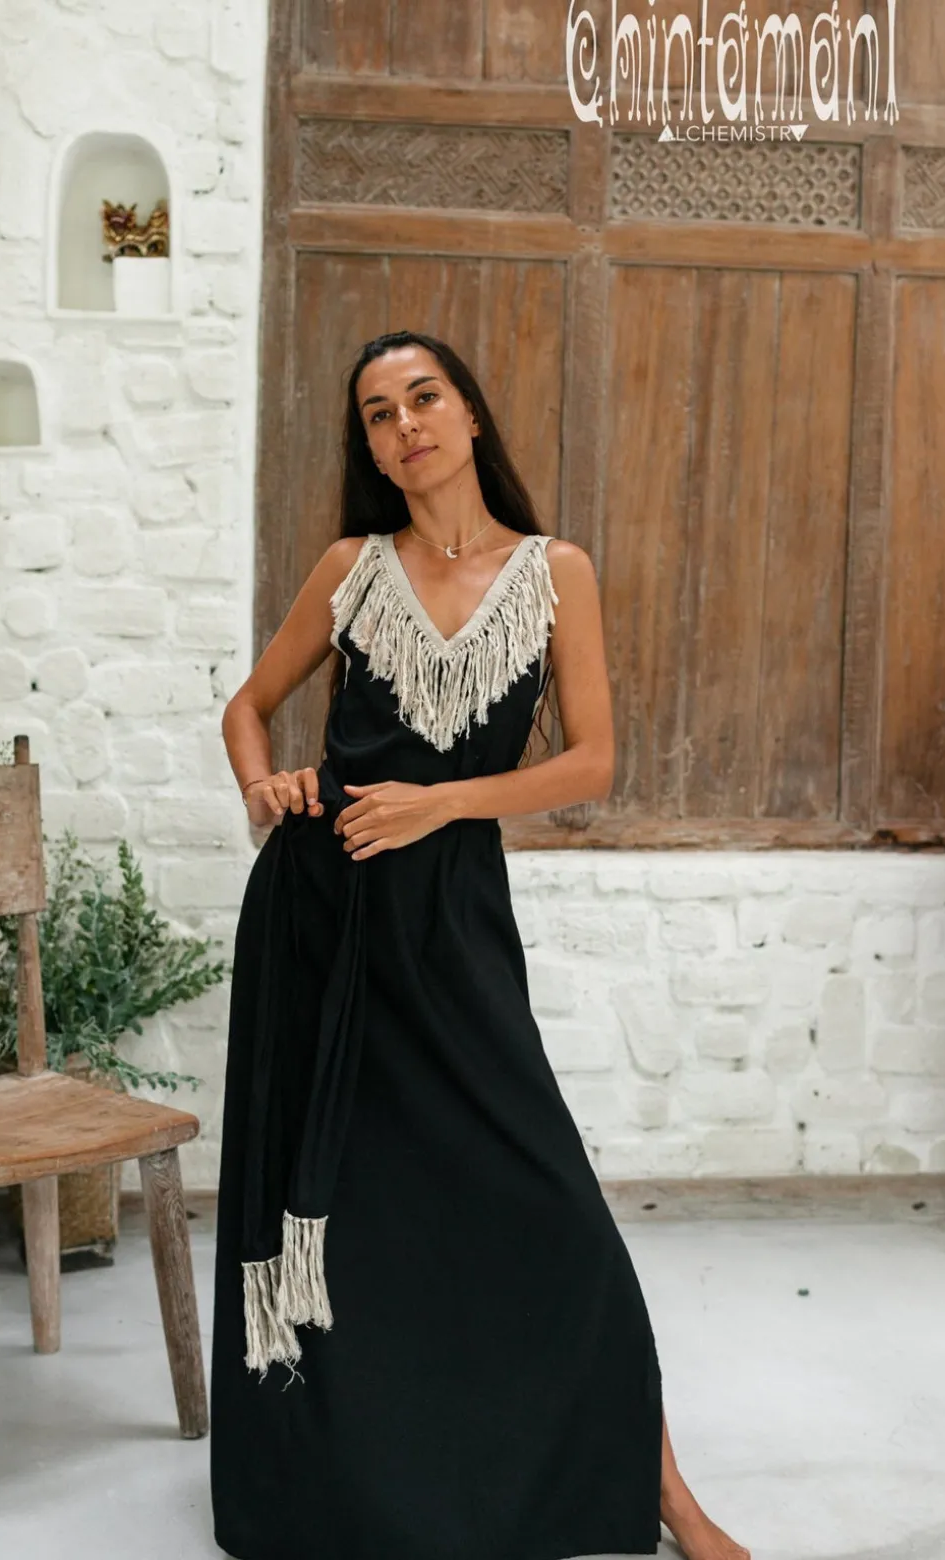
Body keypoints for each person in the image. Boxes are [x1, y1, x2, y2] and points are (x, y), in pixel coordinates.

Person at [210, 329, 750, 1560]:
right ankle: (342, 1487)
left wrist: (439, 803)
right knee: (348, 1218)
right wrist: (263, 786)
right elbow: (247, 708)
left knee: (549, 1206)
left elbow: (590, 763)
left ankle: (664, 1493)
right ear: (369, 448)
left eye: (423, 397)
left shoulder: (555, 573)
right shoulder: (349, 568)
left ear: (466, 414)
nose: (404, 424)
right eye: (378, 413)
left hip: (451, 920)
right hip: (319, 917)